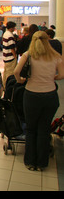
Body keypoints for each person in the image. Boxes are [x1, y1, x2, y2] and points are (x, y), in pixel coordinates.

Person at [14, 31, 64, 171]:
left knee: (31, 129)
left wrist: (21, 81)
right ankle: (42, 163)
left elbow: (16, 72)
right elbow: (62, 74)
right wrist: (53, 78)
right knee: (44, 129)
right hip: (50, 96)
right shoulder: (55, 56)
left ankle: (30, 161)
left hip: (31, 95)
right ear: (47, 40)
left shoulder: (28, 55)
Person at [2, 21, 17, 87]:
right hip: (10, 57)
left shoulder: (5, 33)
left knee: (5, 72)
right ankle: (8, 87)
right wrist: (15, 56)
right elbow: (12, 48)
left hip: (5, 56)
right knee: (10, 74)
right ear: (12, 27)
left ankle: (4, 85)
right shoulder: (10, 35)